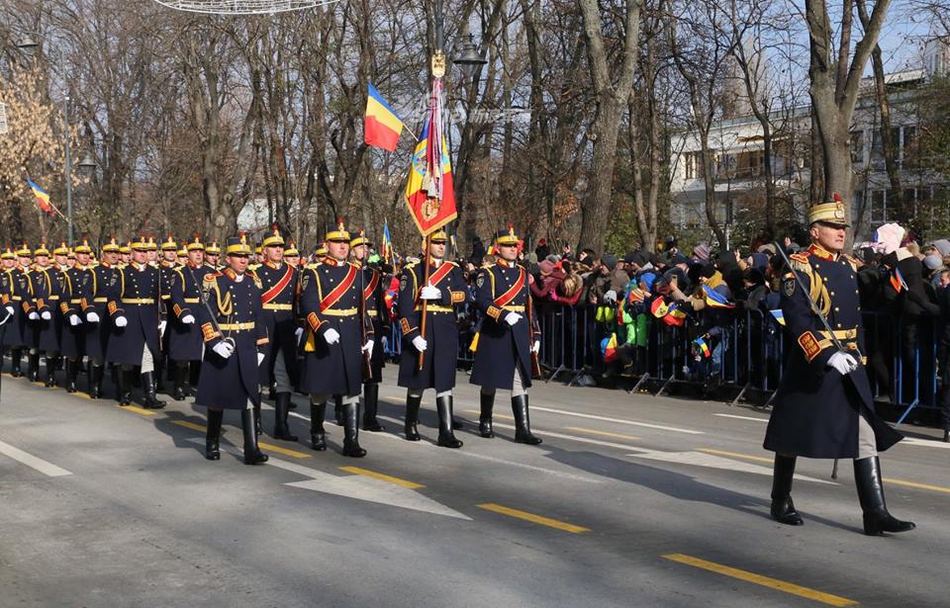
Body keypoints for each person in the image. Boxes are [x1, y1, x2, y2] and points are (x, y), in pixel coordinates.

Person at [764, 198, 915, 536]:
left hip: (850, 361)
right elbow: (797, 319)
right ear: (815, 232)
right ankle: (780, 499)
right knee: (793, 434)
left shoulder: (848, 265)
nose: (841, 233)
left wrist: (895, 256)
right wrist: (824, 354)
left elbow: (875, 298)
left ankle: (875, 512)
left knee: (864, 434)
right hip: (816, 364)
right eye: (833, 227)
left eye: (843, 228)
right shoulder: (799, 268)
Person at [298, 221, 373, 457]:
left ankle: (351, 440)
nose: (342, 246)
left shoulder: (356, 272)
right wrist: (323, 328)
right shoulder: (314, 271)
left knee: (352, 387)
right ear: (327, 245)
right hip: (326, 332)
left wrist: (369, 334)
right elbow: (308, 305)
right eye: (337, 242)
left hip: (351, 331)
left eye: (345, 243)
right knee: (320, 389)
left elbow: (364, 307)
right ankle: (317, 430)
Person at [194, 234, 269, 464]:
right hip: (224, 343)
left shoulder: (253, 282)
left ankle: (251, 449)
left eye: (246, 256)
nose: (243, 260)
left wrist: (261, 345)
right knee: (218, 397)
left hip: (246, 344)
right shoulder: (213, 280)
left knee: (250, 395)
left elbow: (259, 315)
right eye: (238, 256)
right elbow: (204, 314)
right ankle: (212, 443)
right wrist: (214, 342)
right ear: (228, 258)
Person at [396, 229, 468, 447]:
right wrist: (412, 334)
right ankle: (410, 424)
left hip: (445, 328)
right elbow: (405, 308)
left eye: (442, 243)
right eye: (435, 242)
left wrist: (440, 294)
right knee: (418, 381)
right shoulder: (413, 271)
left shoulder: (452, 269)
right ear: (425, 246)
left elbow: (464, 294)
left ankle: (446, 432)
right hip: (422, 326)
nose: (440, 246)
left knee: (444, 380)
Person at [470, 226, 542, 444]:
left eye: (514, 245)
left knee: (519, 379)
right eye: (508, 245)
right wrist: (501, 315)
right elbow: (483, 302)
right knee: (491, 379)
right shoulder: (488, 273)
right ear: (498, 248)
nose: (512, 249)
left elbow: (530, 306)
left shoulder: (524, 274)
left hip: (519, 329)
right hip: (496, 329)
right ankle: (485, 420)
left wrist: (536, 335)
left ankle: (523, 430)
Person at [105, 236, 165, 409]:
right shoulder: (122, 272)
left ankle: (150, 396)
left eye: (145, 252)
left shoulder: (155, 272)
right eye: (139, 251)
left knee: (148, 356)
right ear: (131, 253)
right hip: (129, 318)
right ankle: (125, 393)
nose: (142, 255)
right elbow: (113, 296)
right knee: (127, 359)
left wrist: (163, 318)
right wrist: (117, 314)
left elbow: (159, 298)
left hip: (148, 317)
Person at [256, 225, 300, 440]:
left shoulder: (293, 273)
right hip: (264, 325)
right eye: (273, 246)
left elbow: (298, 301)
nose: (278, 250)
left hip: (285, 326)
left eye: (280, 246)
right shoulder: (255, 273)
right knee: (259, 374)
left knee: (284, 376)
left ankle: (281, 425)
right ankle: (254, 421)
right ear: (264, 250)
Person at [351, 231, 388, 432]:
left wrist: (386, 327)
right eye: (359, 246)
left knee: (373, 375)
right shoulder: (348, 271)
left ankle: (370, 417)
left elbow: (381, 303)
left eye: (366, 247)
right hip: (355, 324)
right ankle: (345, 412)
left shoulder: (374, 274)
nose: (364, 249)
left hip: (374, 325)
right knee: (354, 372)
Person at [168, 236, 209, 400]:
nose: (198, 254)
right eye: (194, 251)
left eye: (200, 251)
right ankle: (179, 385)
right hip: (189, 313)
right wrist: (183, 312)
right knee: (183, 355)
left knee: (203, 354)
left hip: (205, 313)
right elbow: (176, 295)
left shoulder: (211, 272)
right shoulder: (180, 272)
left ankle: (197, 384)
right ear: (188, 253)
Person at [85, 237, 120, 398]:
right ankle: (95, 386)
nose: (113, 255)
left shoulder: (122, 271)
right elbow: (86, 295)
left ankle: (121, 390)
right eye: (110, 252)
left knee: (119, 353)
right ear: (103, 254)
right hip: (99, 314)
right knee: (97, 354)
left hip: (118, 315)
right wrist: (89, 310)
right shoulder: (94, 272)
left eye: (116, 252)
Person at [61, 240, 95, 393]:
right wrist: (70, 314)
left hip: (90, 313)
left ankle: (92, 384)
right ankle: (71, 380)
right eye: (82, 254)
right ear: (76, 255)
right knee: (74, 351)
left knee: (91, 350)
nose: (85, 256)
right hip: (75, 312)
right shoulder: (68, 274)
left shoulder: (94, 272)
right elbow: (63, 298)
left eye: (87, 254)